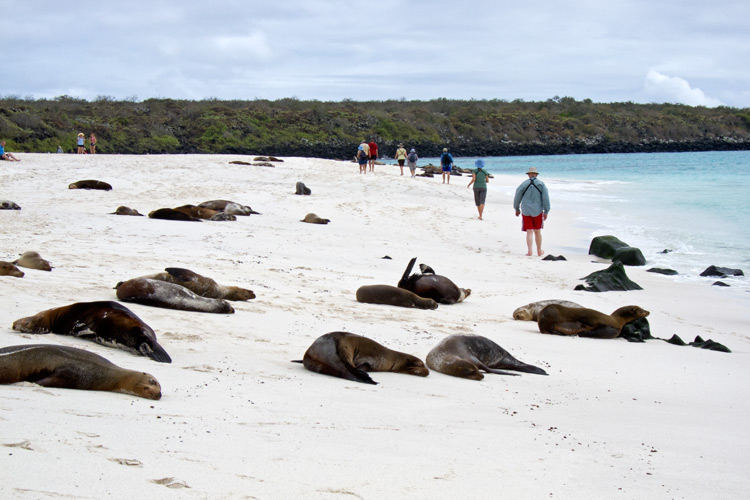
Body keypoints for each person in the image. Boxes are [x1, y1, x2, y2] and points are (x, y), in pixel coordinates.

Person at [513, 166, 550, 256]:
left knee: (529, 231)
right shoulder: (541, 184)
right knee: (537, 231)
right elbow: (546, 198)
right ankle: (539, 251)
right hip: (537, 210)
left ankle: (530, 251)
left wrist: (516, 208)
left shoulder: (523, 184)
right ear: (536, 175)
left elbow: (517, 197)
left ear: (529, 175)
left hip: (526, 210)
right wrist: (546, 211)